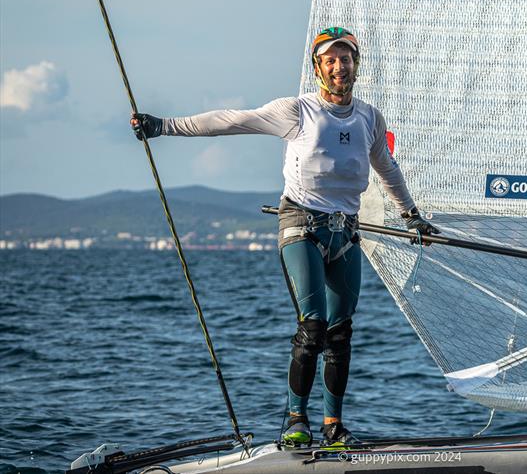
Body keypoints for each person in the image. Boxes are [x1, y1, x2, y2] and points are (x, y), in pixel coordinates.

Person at [130, 26, 439, 447]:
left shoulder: (369, 118)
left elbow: (387, 168)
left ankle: (333, 426)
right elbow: (231, 121)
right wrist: (162, 126)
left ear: (356, 65)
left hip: (346, 233)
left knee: (340, 332)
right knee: (313, 326)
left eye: (345, 59)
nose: (339, 66)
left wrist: (412, 216)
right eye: (330, 60)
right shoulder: (298, 111)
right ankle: (296, 421)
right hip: (301, 226)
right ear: (318, 68)